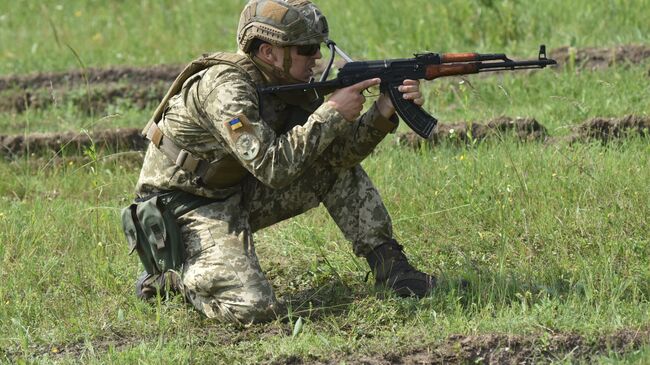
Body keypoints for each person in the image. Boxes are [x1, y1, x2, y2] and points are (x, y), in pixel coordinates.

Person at [130, 0, 435, 325]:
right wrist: (331, 114)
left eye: (317, 46)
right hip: (183, 208)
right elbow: (273, 168)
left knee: (324, 159)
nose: (317, 57)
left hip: (236, 189)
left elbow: (336, 158)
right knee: (254, 307)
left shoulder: (285, 83)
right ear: (268, 52)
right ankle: (174, 274)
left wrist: (381, 113)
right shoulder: (226, 90)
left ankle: (392, 269)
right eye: (306, 48)